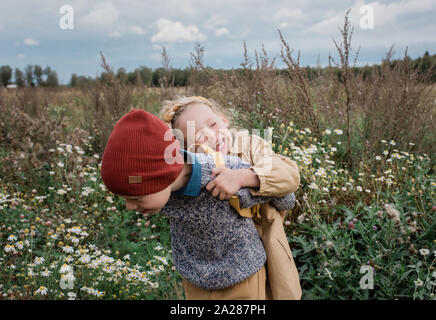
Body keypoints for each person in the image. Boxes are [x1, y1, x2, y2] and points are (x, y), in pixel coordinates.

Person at [100, 108, 295, 300]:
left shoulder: (222, 176)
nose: (129, 207)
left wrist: (247, 179)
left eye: (136, 198)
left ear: (163, 178)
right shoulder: (165, 189)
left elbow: (285, 195)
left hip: (242, 277)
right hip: (195, 281)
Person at [159, 96, 302, 300]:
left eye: (212, 124)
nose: (212, 135)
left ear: (224, 119)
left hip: (270, 243)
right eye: (199, 136)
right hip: (232, 261)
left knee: (279, 292)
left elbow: (288, 175)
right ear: (189, 150)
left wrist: (241, 177)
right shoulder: (199, 170)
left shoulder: (250, 143)